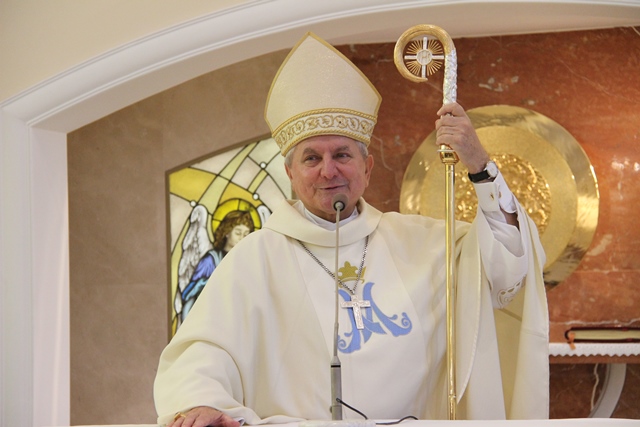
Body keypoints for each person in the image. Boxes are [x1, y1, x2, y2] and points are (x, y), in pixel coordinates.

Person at [154, 32, 548, 427]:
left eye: (342, 154)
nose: (329, 171)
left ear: (367, 168)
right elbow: (204, 349)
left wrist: (478, 164)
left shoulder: (427, 244)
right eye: (312, 158)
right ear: (290, 174)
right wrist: (200, 400)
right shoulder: (255, 259)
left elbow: (507, 265)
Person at [180, 210, 255, 322]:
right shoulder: (211, 260)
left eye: (246, 234)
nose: (242, 238)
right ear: (227, 232)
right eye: (238, 233)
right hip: (213, 317)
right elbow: (189, 293)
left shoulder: (248, 262)